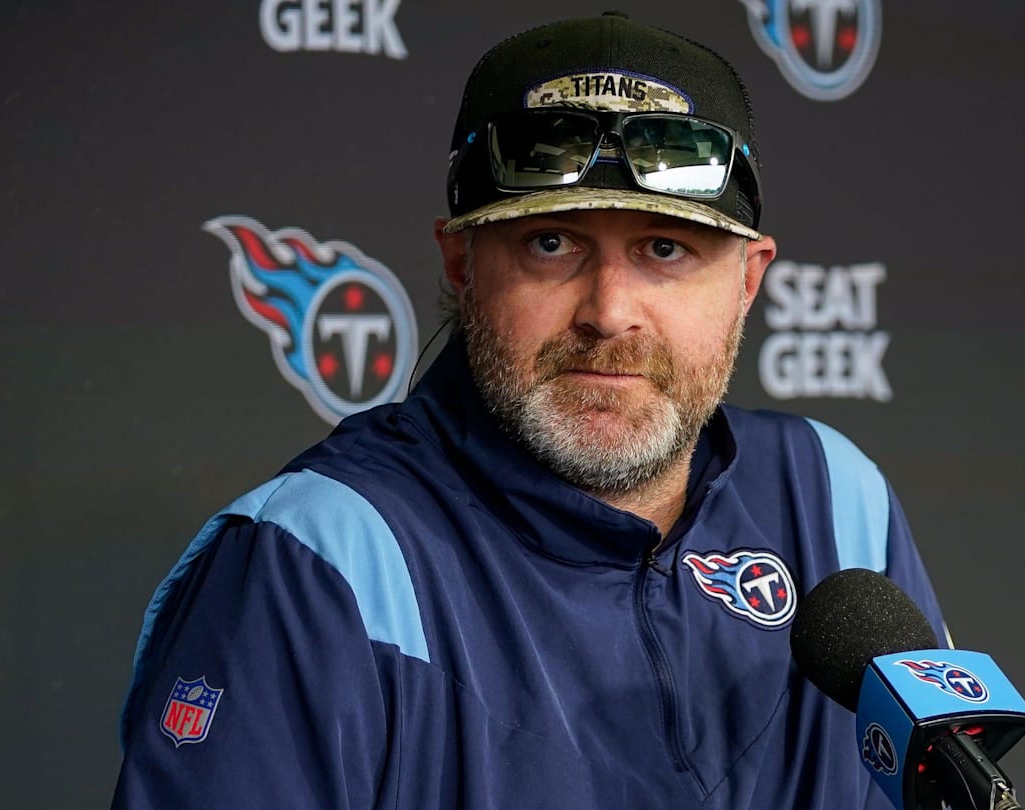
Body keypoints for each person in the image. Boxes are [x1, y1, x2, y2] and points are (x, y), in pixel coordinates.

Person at [111, 12, 947, 809]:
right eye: (552, 243)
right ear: (461, 262)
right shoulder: (325, 556)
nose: (609, 310)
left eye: (666, 248)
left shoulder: (834, 497)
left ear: (747, 281)